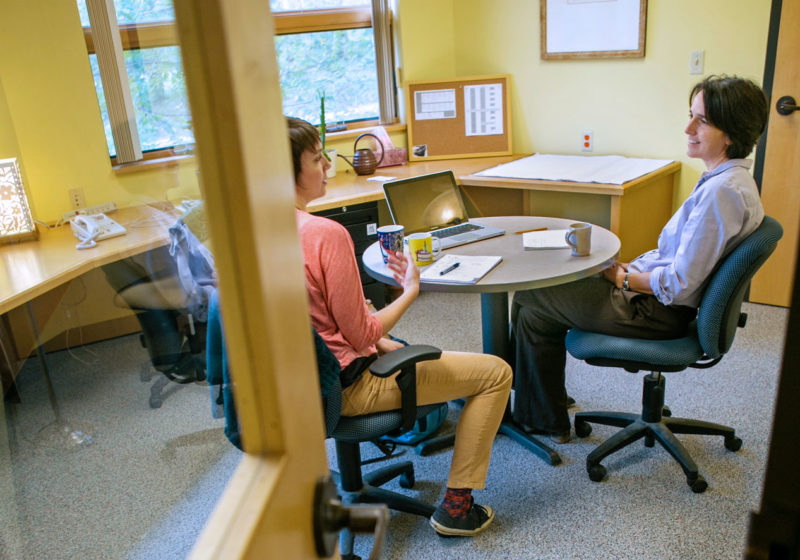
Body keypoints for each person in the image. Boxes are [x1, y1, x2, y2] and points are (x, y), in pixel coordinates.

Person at [511, 75, 769, 443]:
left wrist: (623, 279)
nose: (688, 127)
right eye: (691, 115)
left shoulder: (721, 194)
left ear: (731, 133)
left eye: (703, 121)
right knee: (554, 287)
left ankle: (539, 415)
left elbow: (679, 283)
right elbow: (680, 258)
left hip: (656, 312)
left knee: (531, 298)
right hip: (659, 301)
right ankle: (538, 400)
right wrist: (634, 267)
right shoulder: (729, 180)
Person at [288, 116, 513, 537]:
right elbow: (362, 334)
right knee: (495, 373)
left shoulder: (253, 233)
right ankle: (457, 509)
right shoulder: (324, 234)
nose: (327, 169)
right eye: (317, 160)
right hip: (348, 388)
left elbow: (322, 324)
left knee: (394, 343)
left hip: (297, 390)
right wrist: (410, 288)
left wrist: (378, 341)